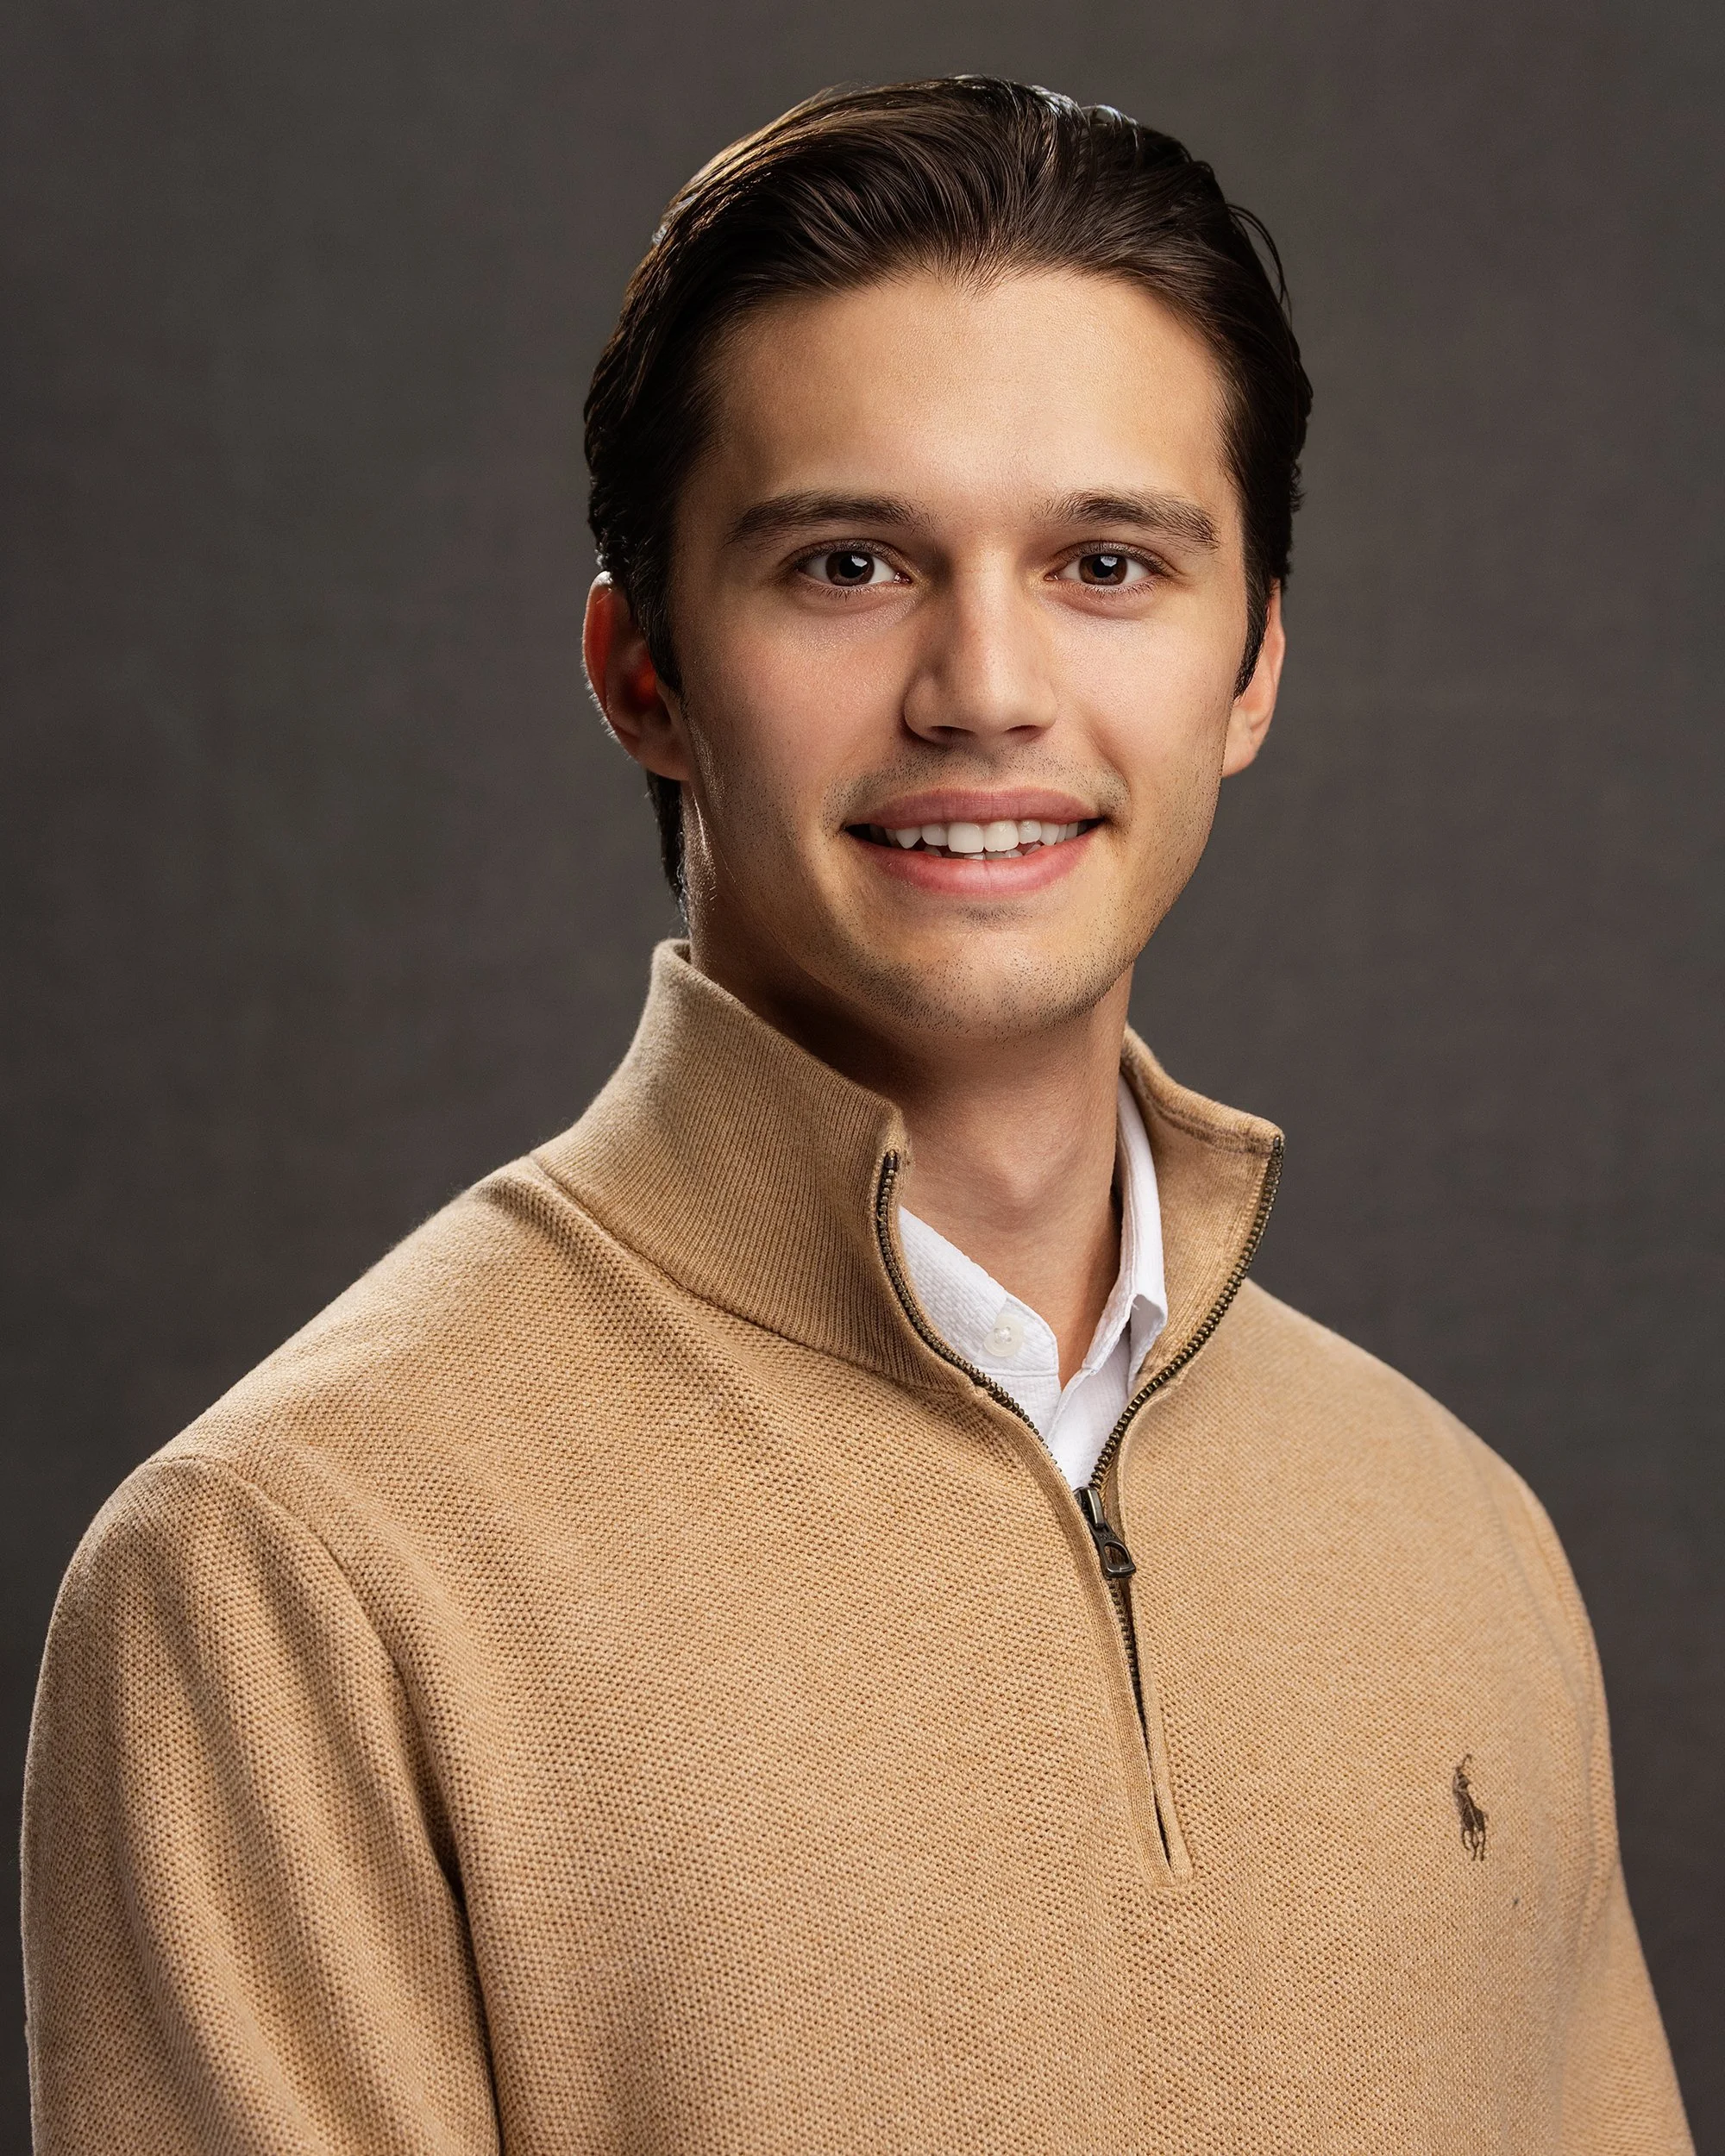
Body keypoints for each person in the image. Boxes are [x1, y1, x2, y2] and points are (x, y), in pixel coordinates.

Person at [23, 77, 1690, 2154]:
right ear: (641, 668)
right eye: (845, 562)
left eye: (1104, 560)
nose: (983, 682)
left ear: (1251, 661)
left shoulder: (1464, 1538)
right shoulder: (293, 1577)